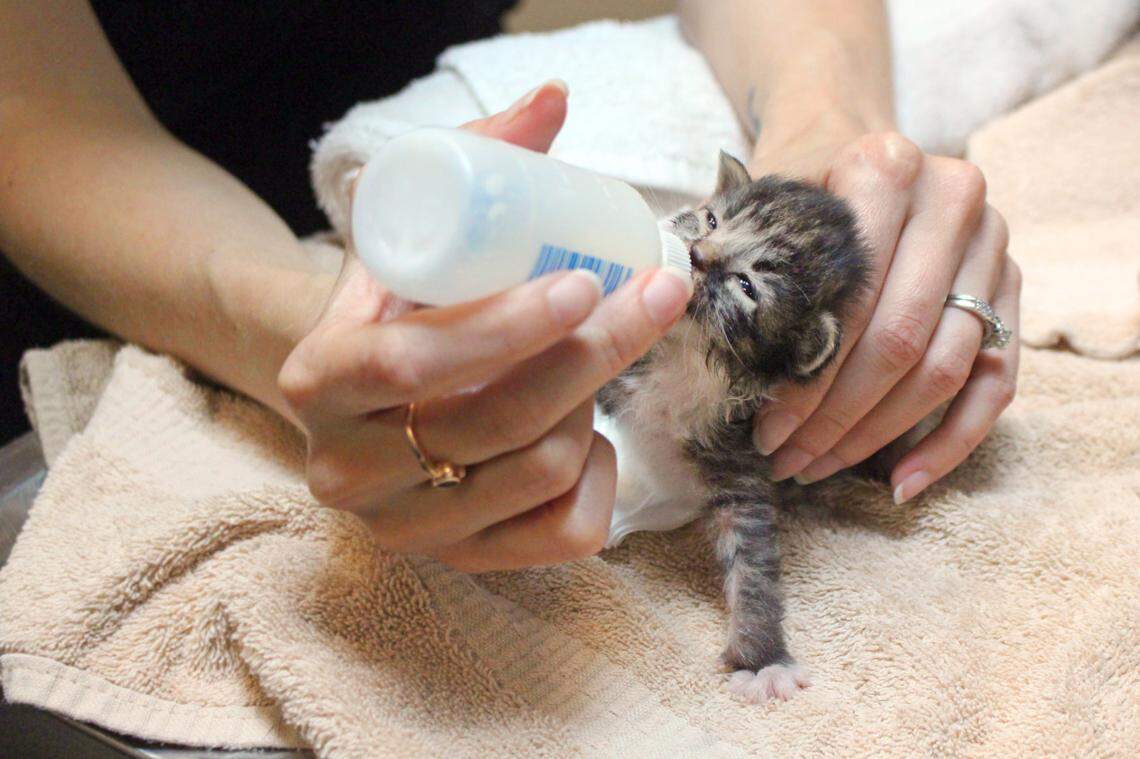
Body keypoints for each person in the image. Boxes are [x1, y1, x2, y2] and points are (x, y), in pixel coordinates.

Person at [0, 1, 1019, 571]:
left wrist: (831, 137)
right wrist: (305, 319)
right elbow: (39, 125)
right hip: (114, 239)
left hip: (464, 165)